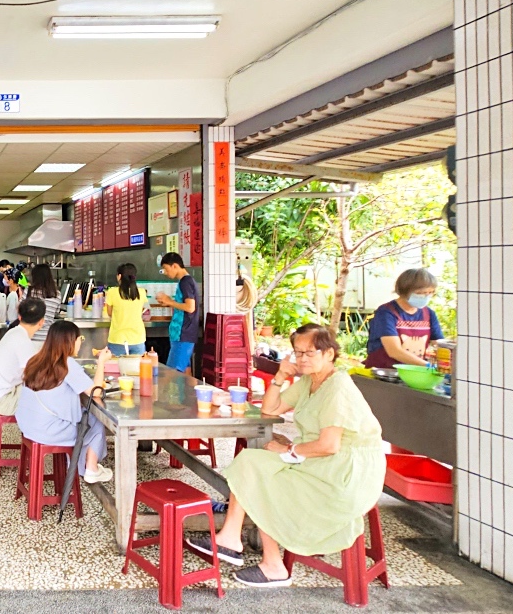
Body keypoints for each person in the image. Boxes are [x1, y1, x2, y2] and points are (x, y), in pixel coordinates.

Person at [188, 324, 385, 588]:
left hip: (344, 475)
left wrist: (289, 449)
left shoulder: (338, 388)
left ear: (329, 354)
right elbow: (270, 409)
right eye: (298, 352)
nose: (303, 358)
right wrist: (280, 375)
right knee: (250, 461)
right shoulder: (310, 382)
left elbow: (329, 445)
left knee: (266, 480)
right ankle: (230, 539)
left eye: (310, 352)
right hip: (318, 462)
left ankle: (272, 565)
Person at [15, 321, 114, 484]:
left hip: (29, 425)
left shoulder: (37, 360)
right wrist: (102, 362)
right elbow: (95, 392)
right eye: (79, 339)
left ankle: (82, 465)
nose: (80, 343)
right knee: (95, 419)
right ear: (70, 341)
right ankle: (91, 468)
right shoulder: (67, 363)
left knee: (84, 416)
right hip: (50, 431)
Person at [363, 268, 445, 368]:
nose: (426, 297)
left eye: (430, 293)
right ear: (405, 290)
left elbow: (439, 344)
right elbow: (394, 351)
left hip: (414, 372)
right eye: (420, 293)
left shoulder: (428, 314)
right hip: (386, 373)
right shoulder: (386, 313)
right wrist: (427, 365)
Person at [0, 298, 47, 413]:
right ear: (42, 322)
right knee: (48, 398)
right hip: (3, 400)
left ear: (19, 317)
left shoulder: (15, 333)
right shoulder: (22, 341)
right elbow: (35, 376)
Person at [155, 252, 201, 373]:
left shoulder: (185, 282)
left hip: (183, 334)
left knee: (172, 373)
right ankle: (188, 392)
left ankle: (175, 393)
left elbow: (190, 307)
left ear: (175, 266)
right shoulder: (187, 281)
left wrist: (170, 301)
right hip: (185, 334)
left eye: (166, 268)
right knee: (185, 371)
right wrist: (169, 302)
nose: (165, 272)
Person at [105, 263, 150, 356]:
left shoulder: (112, 292)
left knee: (115, 369)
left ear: (119, 276)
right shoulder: (141, 292)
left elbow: (110, 313)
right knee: (136, 369)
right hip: (138, 339)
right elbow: (143, 309)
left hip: (118, 339)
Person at [26, 263, 62, 343]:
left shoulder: (28, 291)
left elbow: (19, 309)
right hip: (48, 339)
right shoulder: (57, 294)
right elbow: (57, 312)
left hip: (29, 337)